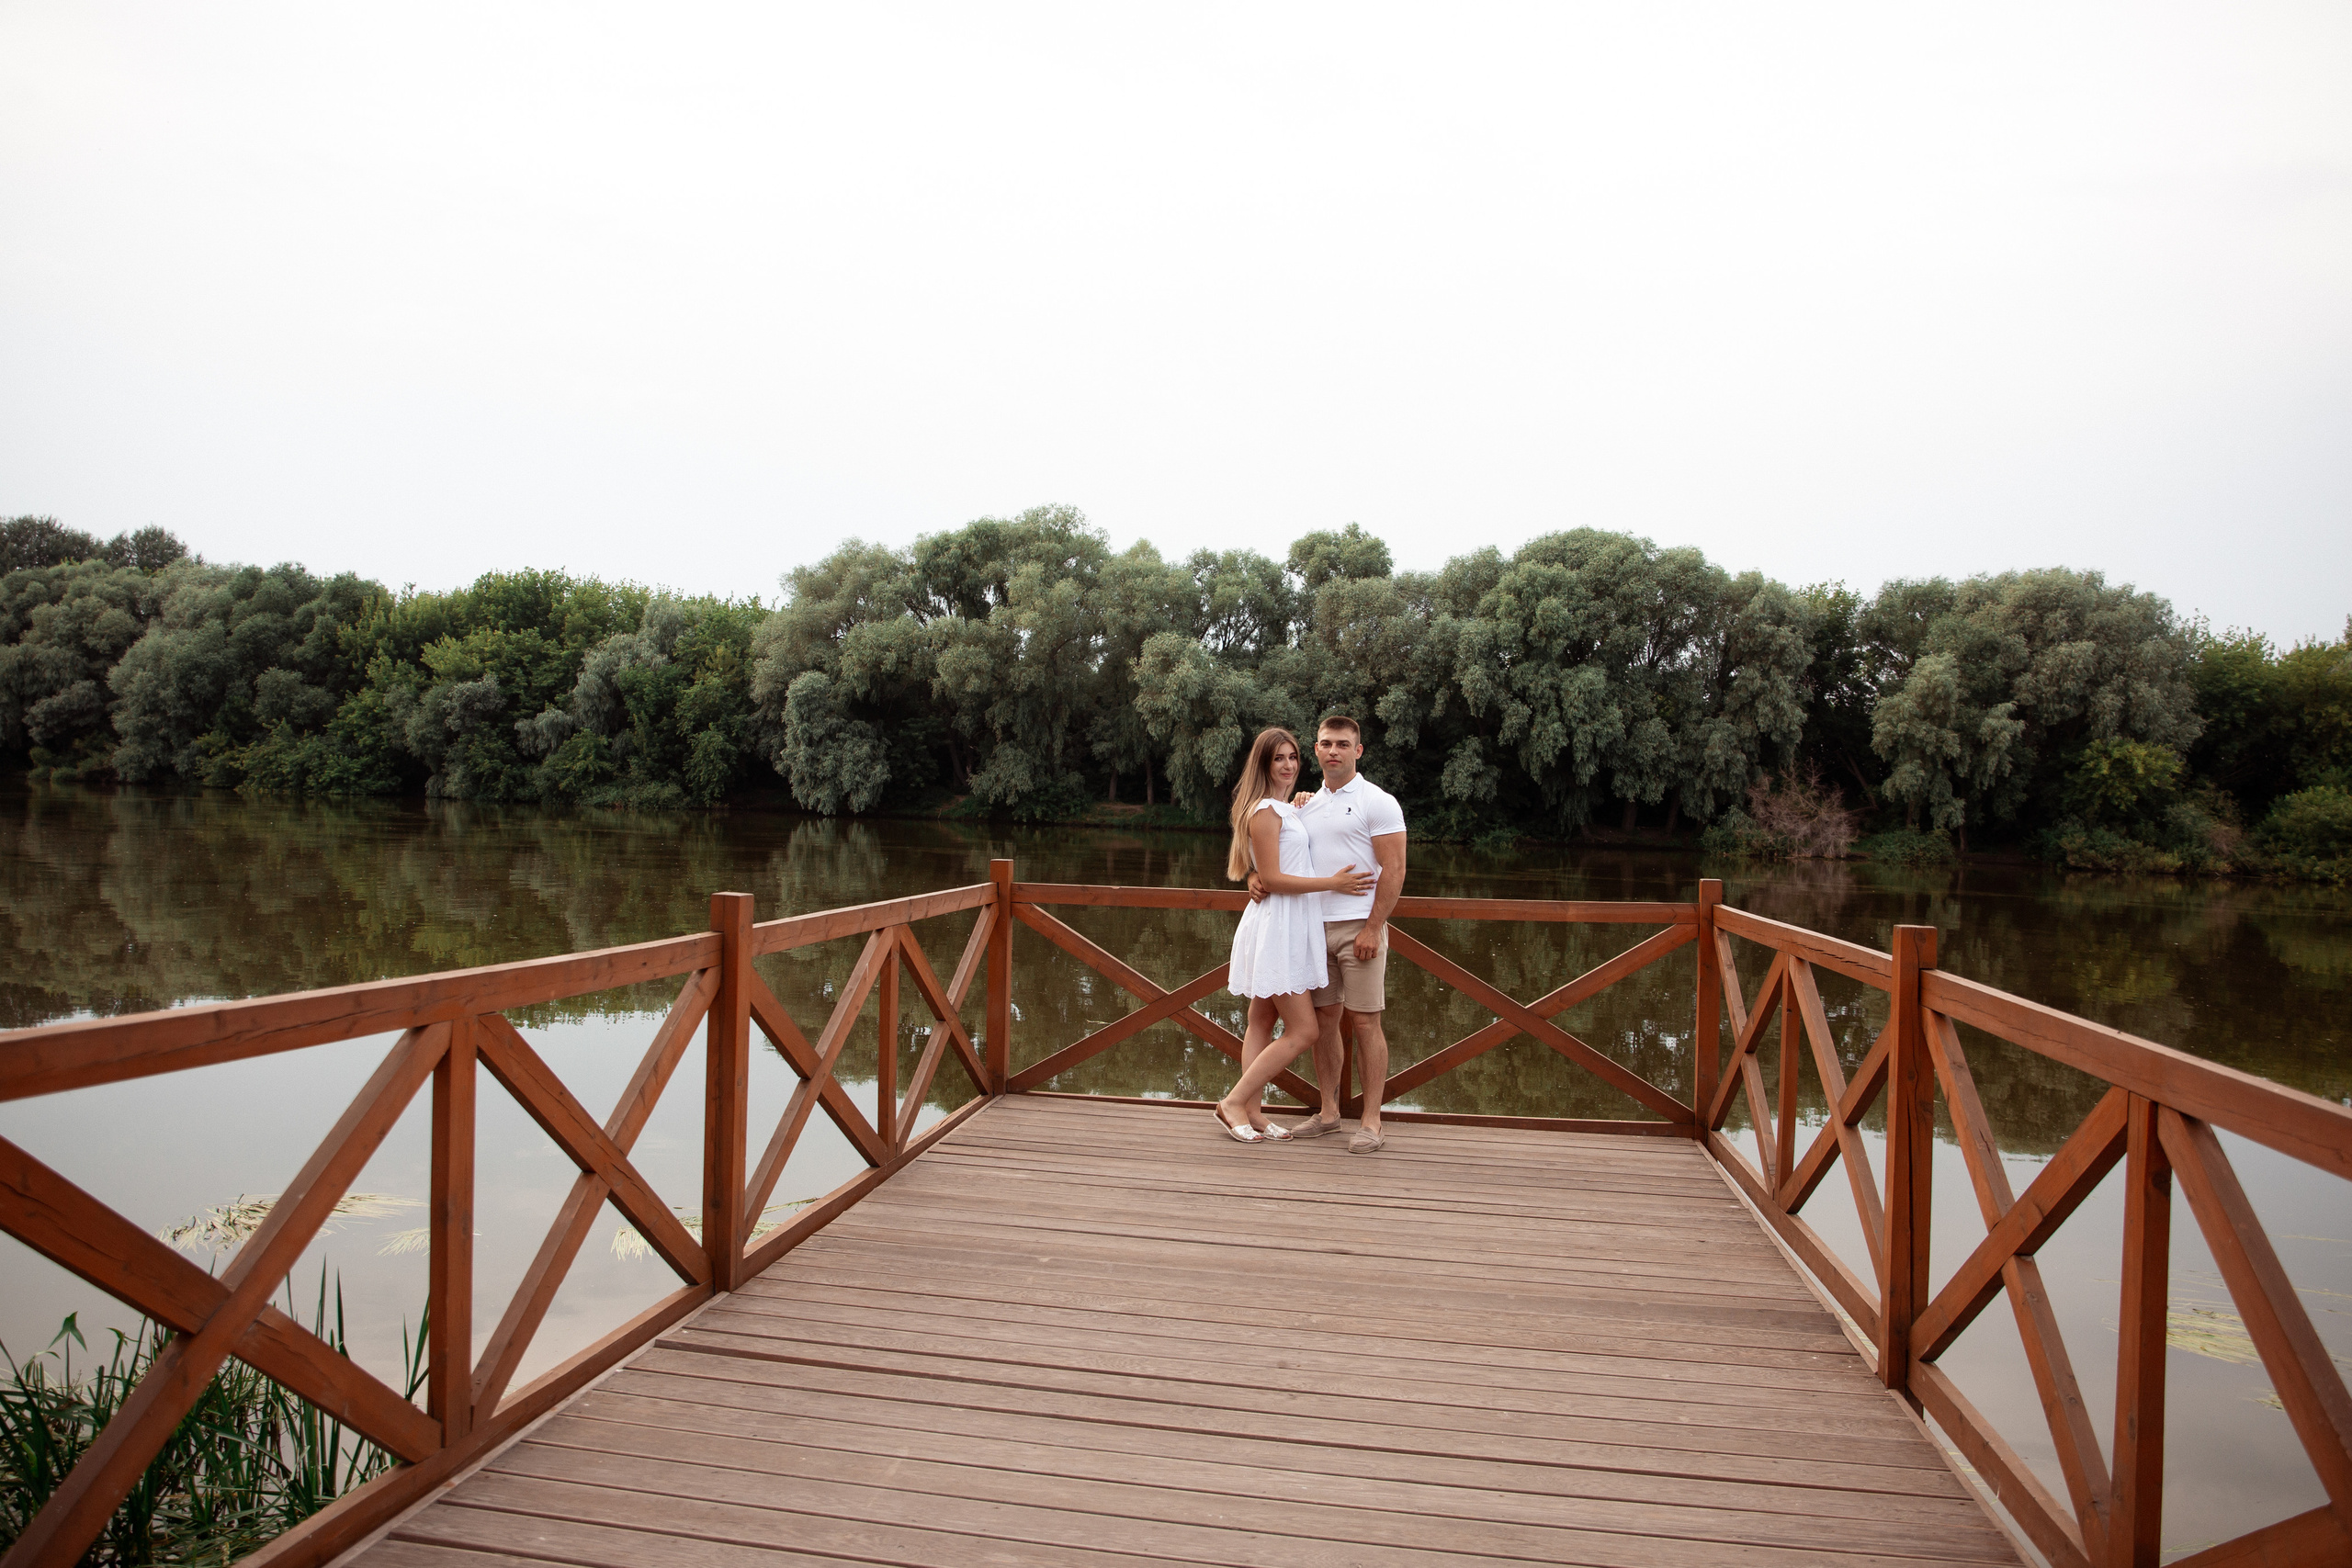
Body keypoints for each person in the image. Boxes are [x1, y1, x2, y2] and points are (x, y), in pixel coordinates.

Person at [1211, 728, 1374, 1144]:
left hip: (1289, 923)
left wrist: (1300, 803)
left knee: (1261, 1019)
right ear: (1264, 764)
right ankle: (1233, 1104)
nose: (1288, 765)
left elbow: (1270, 866)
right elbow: (1273, 878)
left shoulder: (1286, 808)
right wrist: (1330, 884)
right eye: (1278, 758)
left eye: (1293, 757)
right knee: (1306, 1031)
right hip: (1279, 926)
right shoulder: (1265, 810)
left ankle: (1254, 1113)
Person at [1256, 715, 1407, 1153]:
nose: (1334, 751)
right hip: (1309, 929)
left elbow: (1394, 870)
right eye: (1326, 744)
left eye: (1343, 744)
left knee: (1365, 1022)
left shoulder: (1378, 802)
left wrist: (1374, 926)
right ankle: (1328, 1113)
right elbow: (1280, 855)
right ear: (1316, 750)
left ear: (1358, 750)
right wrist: (1255, 876)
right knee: (1323, 1024)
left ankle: (1373, 1121)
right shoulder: (1304, 805)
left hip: (1359, 927)